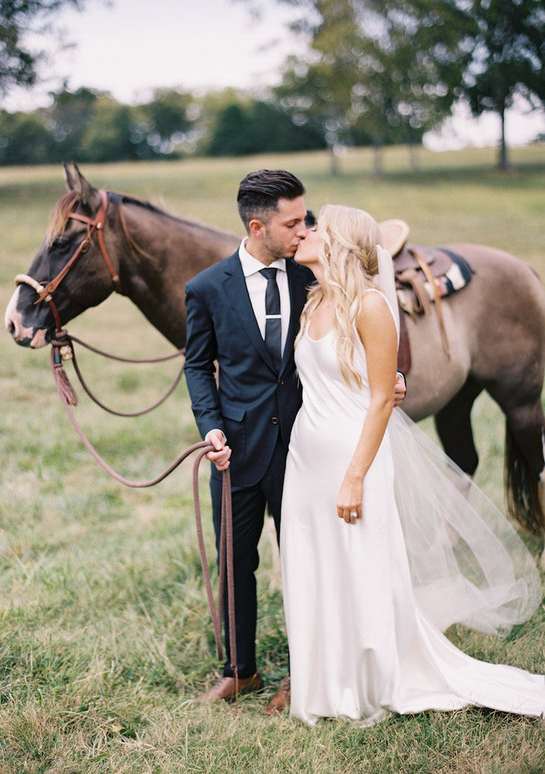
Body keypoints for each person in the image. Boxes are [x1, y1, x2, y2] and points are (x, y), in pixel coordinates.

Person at [280, 204, 544, 725]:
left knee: (362, 566)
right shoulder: (313, 303)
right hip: (306, 458)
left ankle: (373, 678)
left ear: (337, 243)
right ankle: (326, 681)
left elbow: (381, 400)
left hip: (353, 458)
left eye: (316, 228)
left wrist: (355, 476)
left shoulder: (370, 307)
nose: (303, 232)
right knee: (314, 568)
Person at [184, 169, 408, 710]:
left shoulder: (316, 276)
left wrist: (394, 381)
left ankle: (307, 670)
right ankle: (239, 669)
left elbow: (360, 338)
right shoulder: (208, 288)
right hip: (235, 449)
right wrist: (211, 428)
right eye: (293, 222)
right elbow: (197, 365)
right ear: (258, 226)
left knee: (310, 561)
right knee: (235, 559)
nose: (304, 229)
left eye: (307, 219)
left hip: (307, 453)